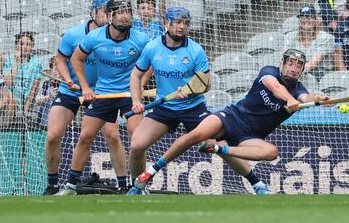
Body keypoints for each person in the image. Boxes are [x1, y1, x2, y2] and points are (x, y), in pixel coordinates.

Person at [128, 49, 329, 195]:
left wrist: (320, 99)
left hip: (250, 136)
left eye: (298, 66)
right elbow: (274, 86)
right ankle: (149, 173)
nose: (293, 69)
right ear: (282, 64)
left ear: (302, 70)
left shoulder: (299, 89)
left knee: (271, 152)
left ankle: (219, 151)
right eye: (290, 63)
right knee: (194, 136)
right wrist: (289, 100)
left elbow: (306, 98)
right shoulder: (269, 72)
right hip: (232, 117)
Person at [127, 8, 261, 192]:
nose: (182, 27)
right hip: (164, 108)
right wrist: (136, 101)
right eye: (178, 22)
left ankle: (257, 184)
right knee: (136, 145)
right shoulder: (152, 47)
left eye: (186, 23)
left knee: (218, 146)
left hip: (193, 108)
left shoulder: (195, 51)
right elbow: (136, 75)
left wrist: (189, 91)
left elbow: (206, 85)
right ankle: (137, 186)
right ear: (167, 23)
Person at [55, 0, 151, 195]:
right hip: (103, 93)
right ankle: (71, 186)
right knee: (85, 137)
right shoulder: (95, 37)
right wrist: (84, 87)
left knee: (138, 139)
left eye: (128, 12)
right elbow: (76, 59)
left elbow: (151, 62)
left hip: (129, 94)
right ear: (110, 16)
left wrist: (140, 85)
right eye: (120, 12)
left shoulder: (141, 39)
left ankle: (138, 187)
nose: (126, 16)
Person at [44, 0, 129, 195]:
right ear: (93, 13)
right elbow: (60, 60)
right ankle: (52, 185)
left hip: (101, 93)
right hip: (71, 91)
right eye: (103, 11)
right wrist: (69, 80)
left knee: (113, 135)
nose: (107, 15)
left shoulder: (114, 36)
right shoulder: (74, 35)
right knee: (53, 135)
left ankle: (124, 186)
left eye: (110, 11)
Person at [0, 32, 43, 127]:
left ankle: (3, 116)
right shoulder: (10, 61)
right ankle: (10, 126)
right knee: (11, 98)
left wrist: (25, 109)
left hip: (25, 99)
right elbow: (9, 83)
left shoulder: (37, 63)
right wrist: (17, 62)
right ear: (16, 46)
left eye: (28, 44)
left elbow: (33, 89)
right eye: (22, 44)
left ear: (32, 47)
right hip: (9, 99)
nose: (25, 47)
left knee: (12, 99)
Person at [283, 6, 334, 80]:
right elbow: (287, 59)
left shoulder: (326, 38)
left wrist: (294, 72)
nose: (306, 20)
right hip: (296, 74)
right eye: (302, 17)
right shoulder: (290, 36)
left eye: (309, 17)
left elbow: (314, 62)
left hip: (320, 77)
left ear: (316, 21)